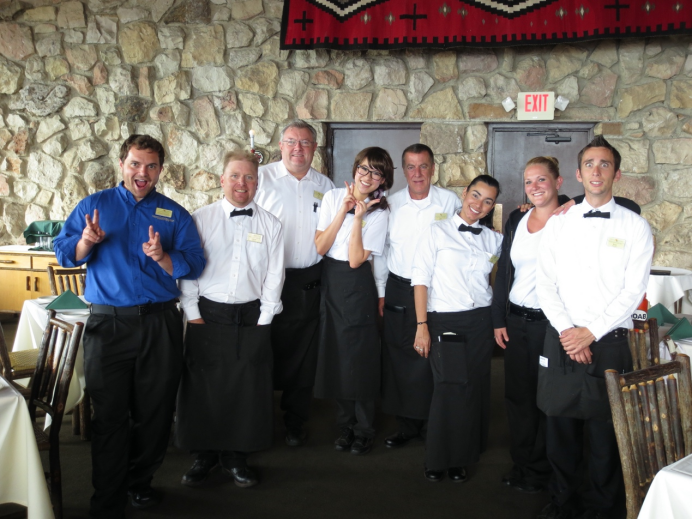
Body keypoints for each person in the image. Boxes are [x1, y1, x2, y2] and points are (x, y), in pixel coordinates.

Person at [53, 134, 206, 518]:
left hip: (160, 325)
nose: (143, 172)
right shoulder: (94, 206)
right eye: (135, 163)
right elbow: (64, 253)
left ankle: (140, 483)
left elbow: (195, 262)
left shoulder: (174, 213)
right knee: (109, 416)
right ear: (122, 164)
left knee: (154, 413)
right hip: (109, 326)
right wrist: (86, 242)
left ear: (160, 170)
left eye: (151, 166)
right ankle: (107, 498)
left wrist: (163, 257)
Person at [493, 157, 642, 495]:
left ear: (560, 182)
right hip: (518, 320)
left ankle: (550, 472)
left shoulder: (570, 216)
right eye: (529, 182)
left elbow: (620, 202)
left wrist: (573, 200)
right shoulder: (517, 218)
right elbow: (505, 270)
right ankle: (525, 465)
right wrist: (498, 318)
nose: (534, 187)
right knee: (519, 397)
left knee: (553, 404)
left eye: (542, 180)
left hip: (553, 323)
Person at [535, 136, 653, 519]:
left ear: (616, 174)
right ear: (578, 173)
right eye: (589, 164)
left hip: (609, 342)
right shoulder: (559, 223)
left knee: (605, 434)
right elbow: (544, 283)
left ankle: (603, 508)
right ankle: (563, 502)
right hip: (562, 338)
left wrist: (590, 332)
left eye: (604, 164)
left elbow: (633, 291)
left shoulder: (636, 227)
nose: (596, 171)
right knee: (560, 429)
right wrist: (570, 332)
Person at [176, 151, 285, 489]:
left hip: (252, 316)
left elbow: (274, 276)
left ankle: (237, 456)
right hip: (207, 314)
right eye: (235, 176)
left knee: (246, 390)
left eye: (249, 177)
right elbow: (189, 271)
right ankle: (204, 455)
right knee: (203, 388)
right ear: (222, 180)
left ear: (257, 182)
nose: (242, 183)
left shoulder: (271, 224)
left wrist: (264, 320)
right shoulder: (200, 219)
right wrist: (193, 315)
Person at [411, 174, 503, 483]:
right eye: (476, 195)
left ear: (492, 207)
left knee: (473, 387)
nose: (479, 204)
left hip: (481, 322)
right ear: (464, 193)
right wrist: (421, 325)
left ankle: (463, 456)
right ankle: (438, 458)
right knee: (449, 388)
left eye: (488, 201)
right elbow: (420, 280)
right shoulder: (436, 232)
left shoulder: (493, 240)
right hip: (445, 320)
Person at [374, 144, 461, 449]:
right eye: (411, 167)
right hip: (400, 287)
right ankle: (407, 424)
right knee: (401, 356)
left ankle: (433, 424)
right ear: (403, 171)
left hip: (439, 290)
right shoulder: (391, 204)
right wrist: (381, 292)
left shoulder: (450, 201)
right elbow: (382, 251)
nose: (418, 173)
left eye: (423, 166)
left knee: (434, 357)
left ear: (433, 168)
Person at [255, 120, 335, 446]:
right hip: (265, 280)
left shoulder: (326, 186)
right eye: (291, 142)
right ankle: (259, 421)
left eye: (304, 143)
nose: (297, 149)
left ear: (315, 148)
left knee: (303, 356)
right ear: (280, 146)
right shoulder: (260, 178)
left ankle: (295, 421)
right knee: (263, 351)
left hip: (308, 282)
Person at [314, 147, 392, 456]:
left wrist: (358, 218)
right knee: (336, 353)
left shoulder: (380, 212)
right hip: (331, 281)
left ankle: (364, 428)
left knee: (359, 356)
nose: (368, 177)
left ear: (383, 180)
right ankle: (345, 425)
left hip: (357, 284)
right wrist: (342, 211)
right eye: (364, 168)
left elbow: (357, 259)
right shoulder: (332, 197)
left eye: (377, 172)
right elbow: (320, 247)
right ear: (355, 168)